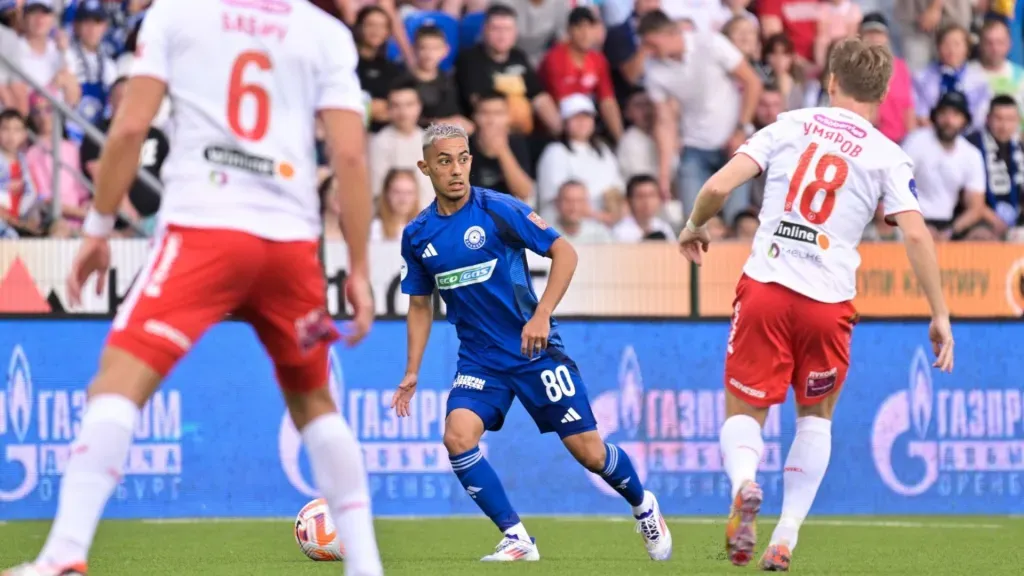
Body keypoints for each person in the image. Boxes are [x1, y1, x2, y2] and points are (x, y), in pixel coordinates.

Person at [2, 0, 383, 575]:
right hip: (289, 245)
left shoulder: (177, 13)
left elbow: (130, 127)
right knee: (315, 403)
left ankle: (64, 555)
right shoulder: (324, 30)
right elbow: (350, 156)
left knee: (117, 384)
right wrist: (356, 266)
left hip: (204, 231)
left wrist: (99, 227)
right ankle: (367, 566)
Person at [677, 38, 954, 572]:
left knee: (744, 412)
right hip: (828, 305)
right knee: (816, 420)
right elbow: (916, 236)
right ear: (883, 94)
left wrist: (693, 226)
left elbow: (716, 186)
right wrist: (939, 314)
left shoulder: (789, 125)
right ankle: (784, 537)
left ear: (831, 82)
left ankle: (744, 484)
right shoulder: (886, 155)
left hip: (767, 287)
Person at [392, 123, 672, 563]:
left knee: (590, 452)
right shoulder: (419, 234)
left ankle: (643, 505)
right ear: (425, 167)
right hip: (480, 361)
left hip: (533, 350)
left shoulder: (499, 209)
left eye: (463, 158)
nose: (456, 170)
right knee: (457, 436)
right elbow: (420, 305)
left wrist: (541, 314)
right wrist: (412, 371)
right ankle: (517, 537)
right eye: (444, 161)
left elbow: (565, 252)